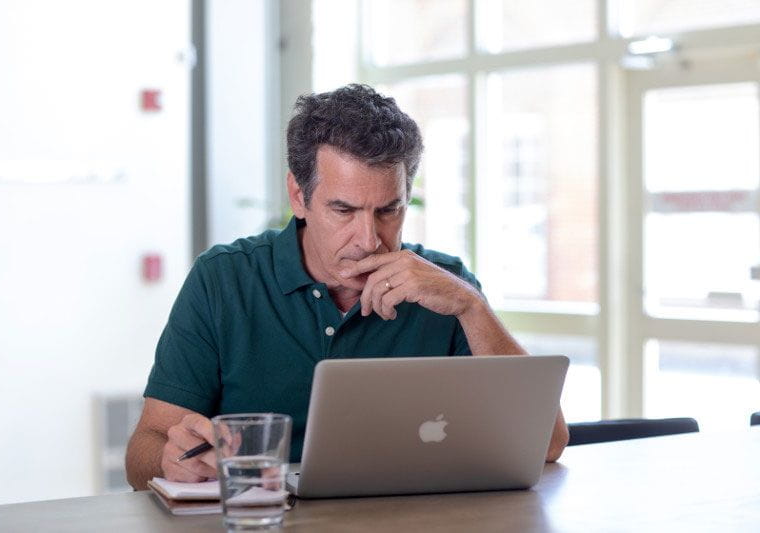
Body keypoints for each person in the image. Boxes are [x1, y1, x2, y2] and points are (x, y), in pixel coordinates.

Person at [125, 84, 568, 490]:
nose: (369, 240)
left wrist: (472, 308)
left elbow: (547, 444)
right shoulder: (223, 279)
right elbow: (142, 451)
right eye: (344, 210)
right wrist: (171, 460)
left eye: (389, 210)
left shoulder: (447, 288)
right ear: (298, 197)